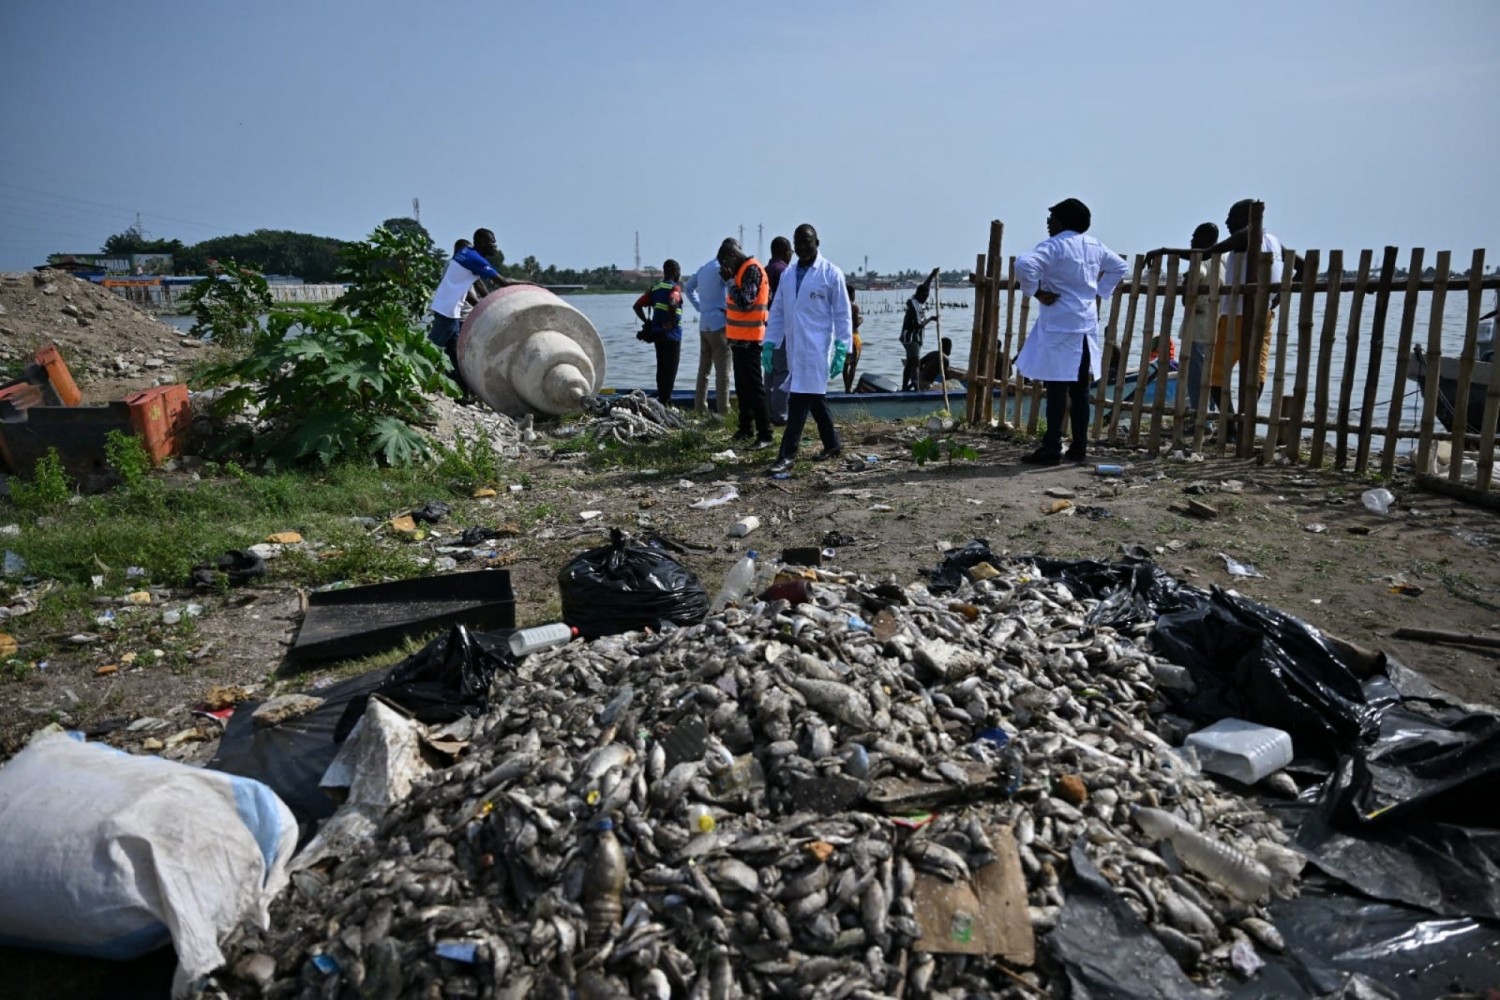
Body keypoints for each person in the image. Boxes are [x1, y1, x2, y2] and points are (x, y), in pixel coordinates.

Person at [1147, 200, 1301, 438]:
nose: (1227, 221)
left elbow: (1206, 253)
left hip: (1237, 316)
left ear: (1247, 218)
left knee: (1213, 374)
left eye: (1231, 216)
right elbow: (1303, 267)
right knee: (1256, 370)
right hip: (1264, 315)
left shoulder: (1247, 234)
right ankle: (1241, 423)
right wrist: (1276, 298)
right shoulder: (1274, 241)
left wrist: (1165, 250)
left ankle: (1231, 425)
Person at [1014, 198, 1128, 465]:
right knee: (1080, 391)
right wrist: (1099, 292)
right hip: (1085, 325)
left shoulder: (1055, 245)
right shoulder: (1094, 245)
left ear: (1063, 221)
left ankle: (1052, 448)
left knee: (1056, 389)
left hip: (1059, 325)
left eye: (1052, 218)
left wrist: (1035, 291)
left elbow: (1023, 265)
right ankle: (1079, 448)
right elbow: (1119, 267)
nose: (1048, 222)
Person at [765, 224, 852, 475]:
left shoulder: (831, 274)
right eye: (798, 243)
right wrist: (770, 342)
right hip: (794, 347)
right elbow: (778, 311)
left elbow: (842, 313)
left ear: (817, 242)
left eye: (807, 241)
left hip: (817, 347)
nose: (803, 247)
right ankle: (832, 444)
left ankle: (787, 455)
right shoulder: (788, 275)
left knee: (799, 400)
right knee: (813, 397)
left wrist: (842, 347)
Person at [428, 228, 521, 396]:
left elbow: (478, 285)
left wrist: (491, 302)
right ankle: (415, 379)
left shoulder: (467, 259)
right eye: (492, 242)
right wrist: (533, 285)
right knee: (430, 348)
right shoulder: (463, 261)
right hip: (451, 313)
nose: (495, 246)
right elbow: (499, 283)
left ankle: (461, 393)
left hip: (455, 313)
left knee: (457, 354)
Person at [1145, 223, 1224, 415]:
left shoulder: (1200, 263)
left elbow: (1187, 298)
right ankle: (1209, 415)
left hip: (1197, 327)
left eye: (1196, 237)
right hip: (1216, 323)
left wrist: (1188, 280)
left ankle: (1201, 416)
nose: (1191, 240)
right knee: (1208, 373)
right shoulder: (1221, 260)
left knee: (1196, 375)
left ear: (1206, 240)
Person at [716, 238, 775, 448]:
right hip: (739, 339)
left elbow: (745, 301)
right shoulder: (741, 270)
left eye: (725, 263)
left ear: (731, 256)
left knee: (755, 387)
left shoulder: (751, 270)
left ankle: (765, 434)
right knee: (742, 387)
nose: (724, 269)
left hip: (750, 339)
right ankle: (745, 429)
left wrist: (729, 282)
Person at [682, 253, 731, 416]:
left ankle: (700, 407)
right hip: (720, 324)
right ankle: (723, 410)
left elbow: (688, 287)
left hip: (704, 324)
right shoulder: (723, 270)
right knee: (723, 371)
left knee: (704, 370)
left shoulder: (704, 268)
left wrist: (700, 307)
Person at [632, 260, 684, 406]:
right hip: (672, 336)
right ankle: (666, 402)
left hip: (658, 336)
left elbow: (637, 306)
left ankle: (662, 398)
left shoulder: (655, 289)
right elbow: (673, 302)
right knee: (670, 370)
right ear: (675, 272)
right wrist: (671, 322)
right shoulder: (674, 288)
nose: (679, 274)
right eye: (679, 271)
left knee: (661, 369)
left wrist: (646, 322)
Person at [764, 236, 794, 424]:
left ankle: (767, 412)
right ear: (786, 252)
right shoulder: (785, 272)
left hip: (766, 328)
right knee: (783, 372)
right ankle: (780, 414)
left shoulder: (765, 270)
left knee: (769, 372)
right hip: (782, 329)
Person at [899, 268, 941, 391]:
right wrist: (931, 319)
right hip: (911, 338)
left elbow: (925, 286)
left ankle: (905, 387)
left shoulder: (915, 299)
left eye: (927, 296)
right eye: (925, 296)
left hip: (910, 337)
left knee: (910, 363)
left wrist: (932, 275)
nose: (926, 299)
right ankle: (916, 388)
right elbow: (919, 324)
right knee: (916, 363)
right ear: (919, 295)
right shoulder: (915, 306)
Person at [842, 279, 863, 393]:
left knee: (845, 365)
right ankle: (849, 389)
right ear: (851, 294)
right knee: (853, 365)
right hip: (854, 337)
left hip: (844, 338)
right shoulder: (854, 307)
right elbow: (856, 323)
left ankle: (846, 388)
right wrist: (861, 319)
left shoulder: (840, 306)